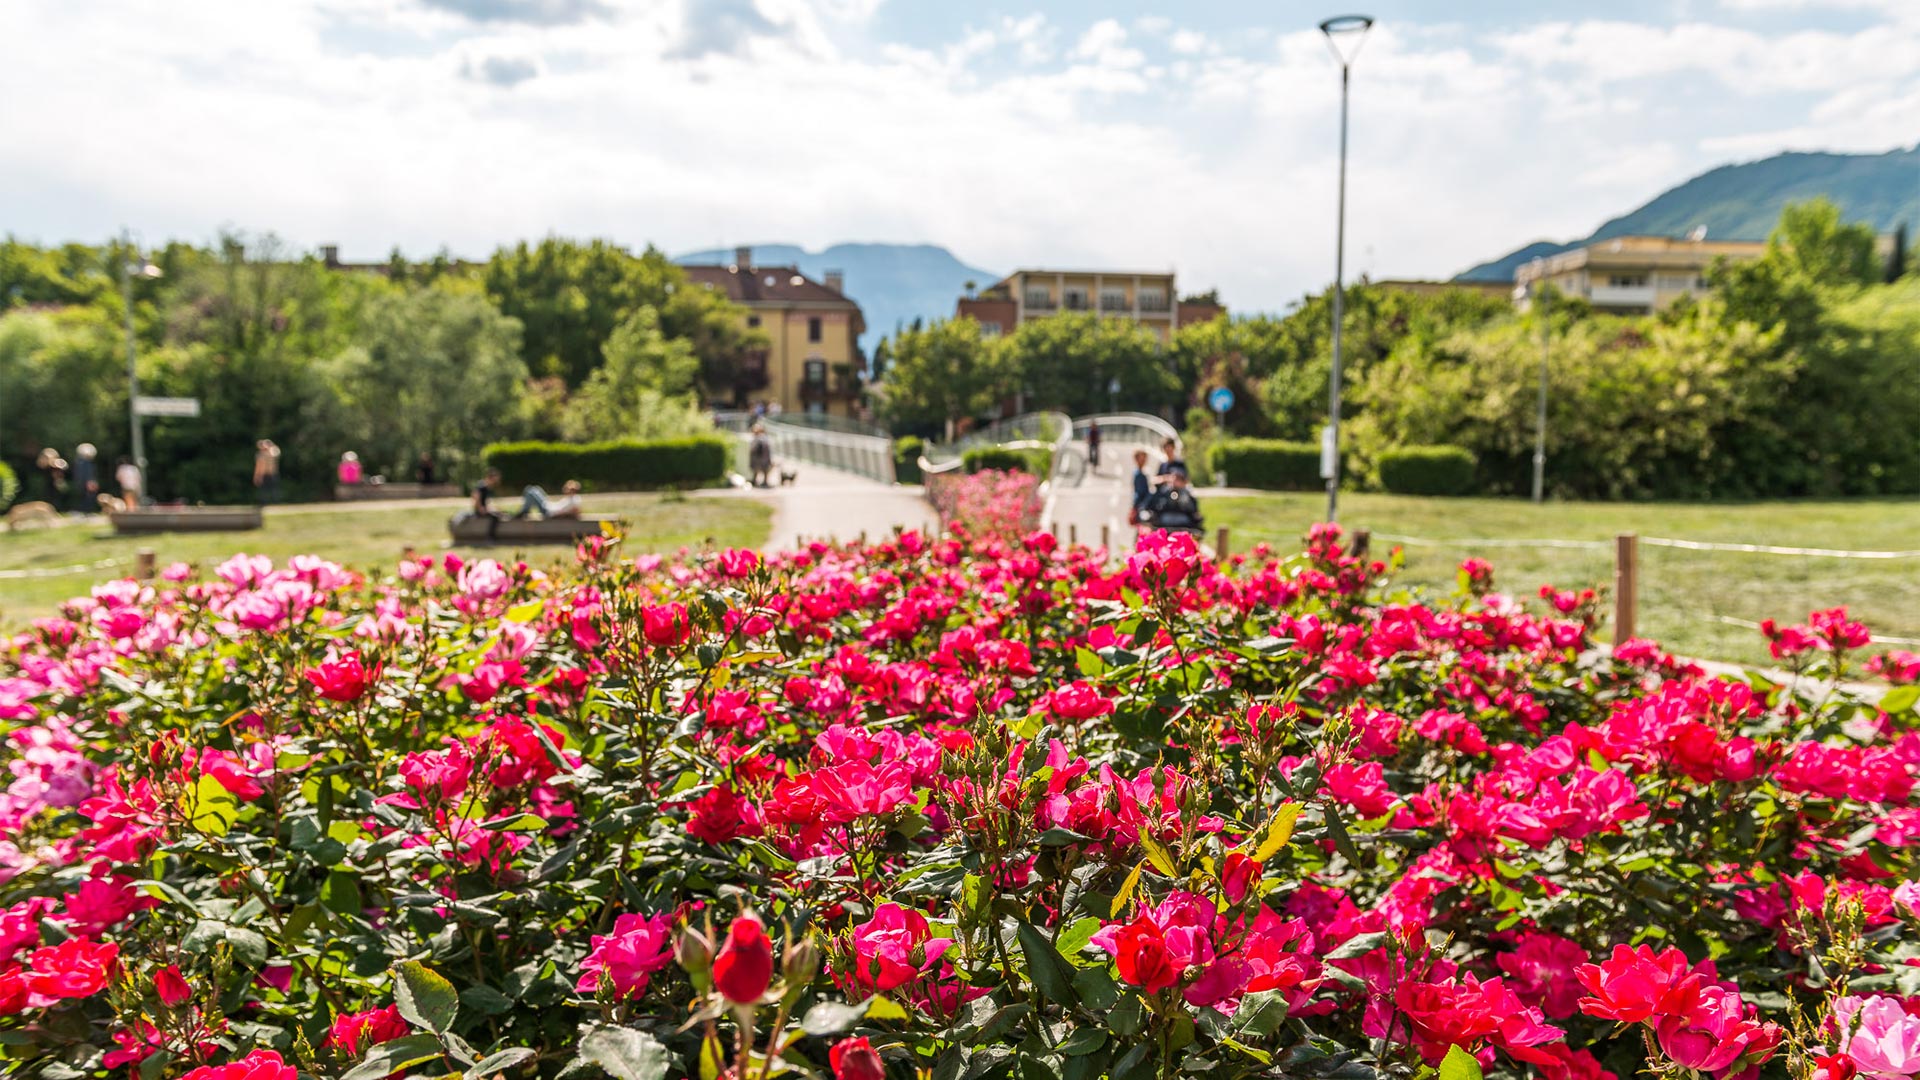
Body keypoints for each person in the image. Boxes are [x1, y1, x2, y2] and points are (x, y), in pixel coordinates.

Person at [516, 480, 583, 520]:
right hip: (549, 506)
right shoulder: (570, 498)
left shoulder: (575, 500)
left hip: (548, 512)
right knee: (535, 489)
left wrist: (557, 516)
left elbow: (576, 513)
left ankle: (524, 511)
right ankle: (524, 511)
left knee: (530, 491)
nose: (565, 490)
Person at [71, 443, 98, 513]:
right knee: (87, 497)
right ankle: (86, 511)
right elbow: (88, 474)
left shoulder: (79, 462)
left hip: (82, 483)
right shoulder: (85, 463)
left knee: (84, 497)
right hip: (86, 483)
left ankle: (84, 511)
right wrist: (90, 482)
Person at [253, 440, 281, 504]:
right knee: (264, 490)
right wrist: (257, 476)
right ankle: (264, 503)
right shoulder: (260, 455)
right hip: (264, 474)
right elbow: (258, 467)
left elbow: (277, 452)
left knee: (274, 489)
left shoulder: (272, 453)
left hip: (272, 474)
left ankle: (276, 502)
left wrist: (270, 445)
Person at [1130, 448, 1152, 527]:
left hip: (1139, 503)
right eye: (1142, 458)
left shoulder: (1141, 472)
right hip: (1141, 504)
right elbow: (1140, 492)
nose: (1144, 460)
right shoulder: (1139, 474)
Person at [748, 423, 773, 488]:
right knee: (757, 470)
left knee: (763, 470)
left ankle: (763, 482)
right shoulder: (762, 438)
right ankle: (757, 481)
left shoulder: (761, 438)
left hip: (761, 457)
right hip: (760, 457)